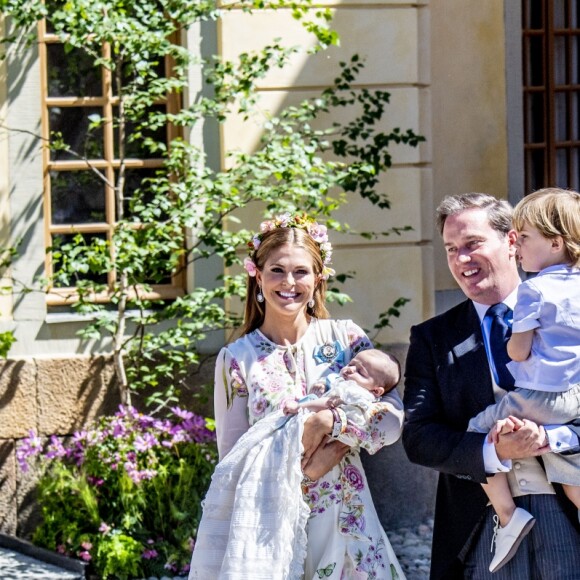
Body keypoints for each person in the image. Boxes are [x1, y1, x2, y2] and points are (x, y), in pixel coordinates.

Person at [188, 213, 406, 579]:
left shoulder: (346, 340)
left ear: (319, 279)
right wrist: (307, 469)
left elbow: (392, 422)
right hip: (271, 531)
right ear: (257, 275)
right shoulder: (237, 360)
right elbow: (233, 463)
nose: (289, 283)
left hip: (347, 524)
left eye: (301, 272)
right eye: (277, 270)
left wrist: (330, 422)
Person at [402, 192, 580, 580]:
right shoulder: (432, 338)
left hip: (569, 512)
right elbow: (418, 437)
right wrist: (491, 449)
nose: (461, 259)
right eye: (451, 249)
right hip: (482, 524)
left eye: (472, 244)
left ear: (512, 241)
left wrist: (556, 438)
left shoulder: (569, 311)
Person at [466, 188, 580, 572]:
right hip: (574, 395)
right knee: (573, 476)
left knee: (478, 428)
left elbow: (517, 352)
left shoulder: (534, 289)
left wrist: (548, 437)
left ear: (555, 241)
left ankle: (506, 513)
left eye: (524, 237)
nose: (517, 248)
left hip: (539, 395)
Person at [282, 348, 401, 416]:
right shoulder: (341, 382)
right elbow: (329, 387)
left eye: (360, 372)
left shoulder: (357, 394)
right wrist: (323, 386)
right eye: (351, 364)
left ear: (376, 390)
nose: (350, 369)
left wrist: (300, 406)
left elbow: (330, 403)